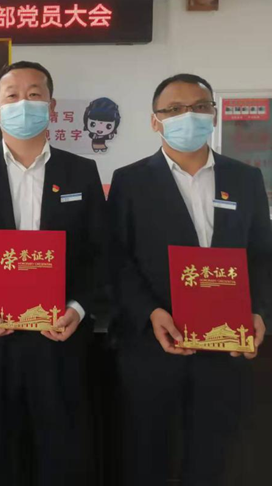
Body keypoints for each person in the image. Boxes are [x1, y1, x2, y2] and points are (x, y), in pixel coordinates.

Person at [0, 61, 106, 485]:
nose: (23, 103)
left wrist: (78, 308)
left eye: (34, 94)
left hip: (59, 332)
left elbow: (100, 251)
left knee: (60, 445)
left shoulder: (80, 171)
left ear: (51, 106)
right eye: (12, 95)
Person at [108, 73, 272, 486]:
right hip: (152, 343)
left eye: (200, 107)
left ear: (213, 114)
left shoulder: (246, 179)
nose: (189, 116)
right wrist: (150, 312)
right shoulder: (130, 181)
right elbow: (115, 259)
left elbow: (261, 256)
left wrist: (259, 311)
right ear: (155, 121)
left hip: (225, 346)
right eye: (175, 109)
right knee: (147, 455)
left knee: (213, 456)